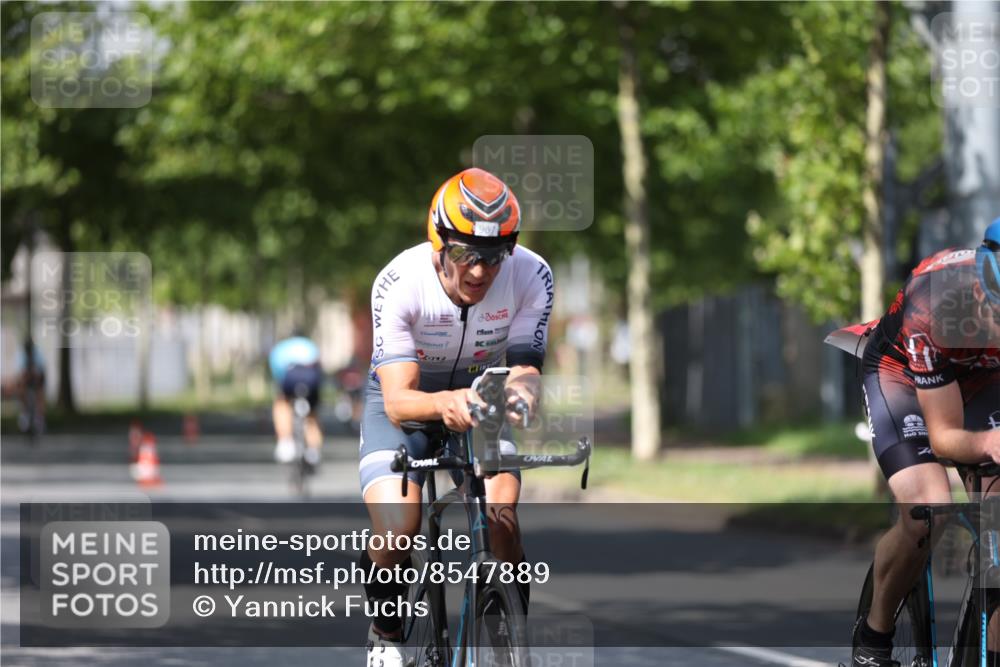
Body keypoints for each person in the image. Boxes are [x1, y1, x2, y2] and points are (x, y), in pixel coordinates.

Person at [359, 168, 554, 666]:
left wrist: (525, 392)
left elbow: (526, 366)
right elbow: (399, 399)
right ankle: (385, 631)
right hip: (407, 399)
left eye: (493, 256)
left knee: (503, 519)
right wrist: (443, 404)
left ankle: (511, 642)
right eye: (466, 254)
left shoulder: (532, 274)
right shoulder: (399, 282)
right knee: (396, 527)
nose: (479, 271)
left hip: (484, 394)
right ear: (438, 244)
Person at [851, 219, 1000, 667]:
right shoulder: (933, 301)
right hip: (902, 376)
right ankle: (874, 640)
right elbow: (946, 438)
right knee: (928, 513)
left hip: (984, 377)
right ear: (982, 287)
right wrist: (991, 443)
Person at [268, 331, 324, 466]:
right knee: (312, 414)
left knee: (282, 402)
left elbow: (277, 372)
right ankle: (313, 450)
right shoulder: (310, 345)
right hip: (311, 379)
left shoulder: (281, 347)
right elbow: (319, 366)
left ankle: (285, 442)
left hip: (290, 379)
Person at [14, 335, 46, 434]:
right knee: (20, 385)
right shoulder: (20, 354)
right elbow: (19, 372)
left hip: (37, 378)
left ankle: (39, 417)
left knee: (39, 393)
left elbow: (41, 370)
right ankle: (24, 413)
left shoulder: (38, 352)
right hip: (25, 379)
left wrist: (36, 375)